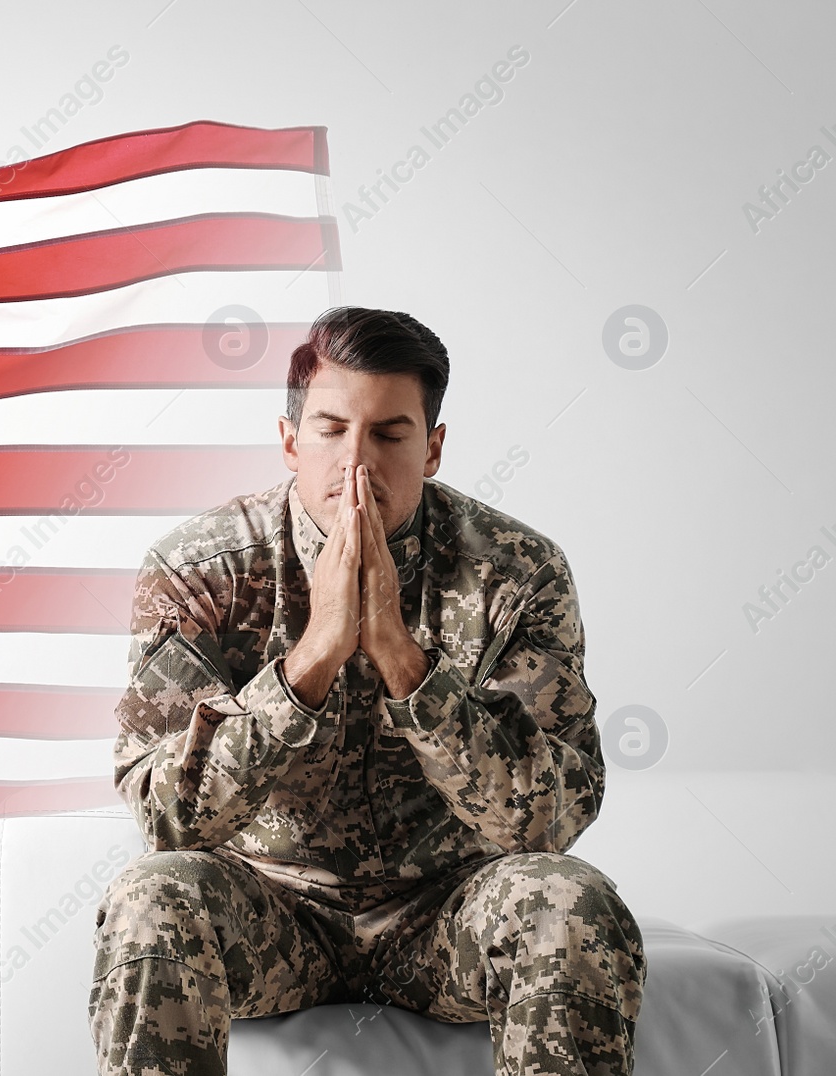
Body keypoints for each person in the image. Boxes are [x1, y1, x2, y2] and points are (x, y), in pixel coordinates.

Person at [89, 307, 646, 1076]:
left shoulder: (517, 573)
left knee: (570, 901)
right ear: (289, 441)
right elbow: (169, 815)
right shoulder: (200, 570)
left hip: (446, 912)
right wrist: (311, 658)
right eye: (330, 430)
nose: (358, 463)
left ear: (434, 447)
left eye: (389, 434)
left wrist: (399, 656)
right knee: (152, 894)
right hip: (273, 910)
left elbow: (549, 817)